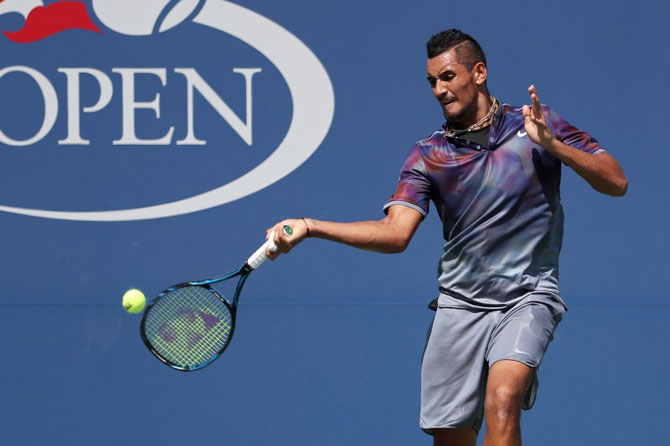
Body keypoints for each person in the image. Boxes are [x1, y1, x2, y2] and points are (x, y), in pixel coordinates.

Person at [264, 29, 627, 446]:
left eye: (448, 76)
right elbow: (395, 233)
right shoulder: (427, 154)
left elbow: (616, 181)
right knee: (452, 439)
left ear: (478, 72)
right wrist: (312, 226)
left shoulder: (537, 124)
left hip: (528, 296)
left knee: (504, 399)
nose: (439, 89)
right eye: (432, 81)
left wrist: (555, 146)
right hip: (459, 305)